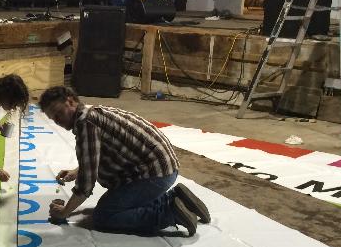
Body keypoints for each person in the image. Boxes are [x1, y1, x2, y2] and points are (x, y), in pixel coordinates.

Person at [38, 86, 211, 235]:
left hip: (156, 173)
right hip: (162, 166)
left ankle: (170, 212)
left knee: (104, 216)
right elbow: (96, 154)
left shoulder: (85, 123)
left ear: (70, 101)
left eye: (59, 113)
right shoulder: (91, 112)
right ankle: (176, 197)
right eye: (54, 118)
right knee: (111, 206)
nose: (58, 121)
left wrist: (65, 212)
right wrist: (77, 171)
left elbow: (86, 185)